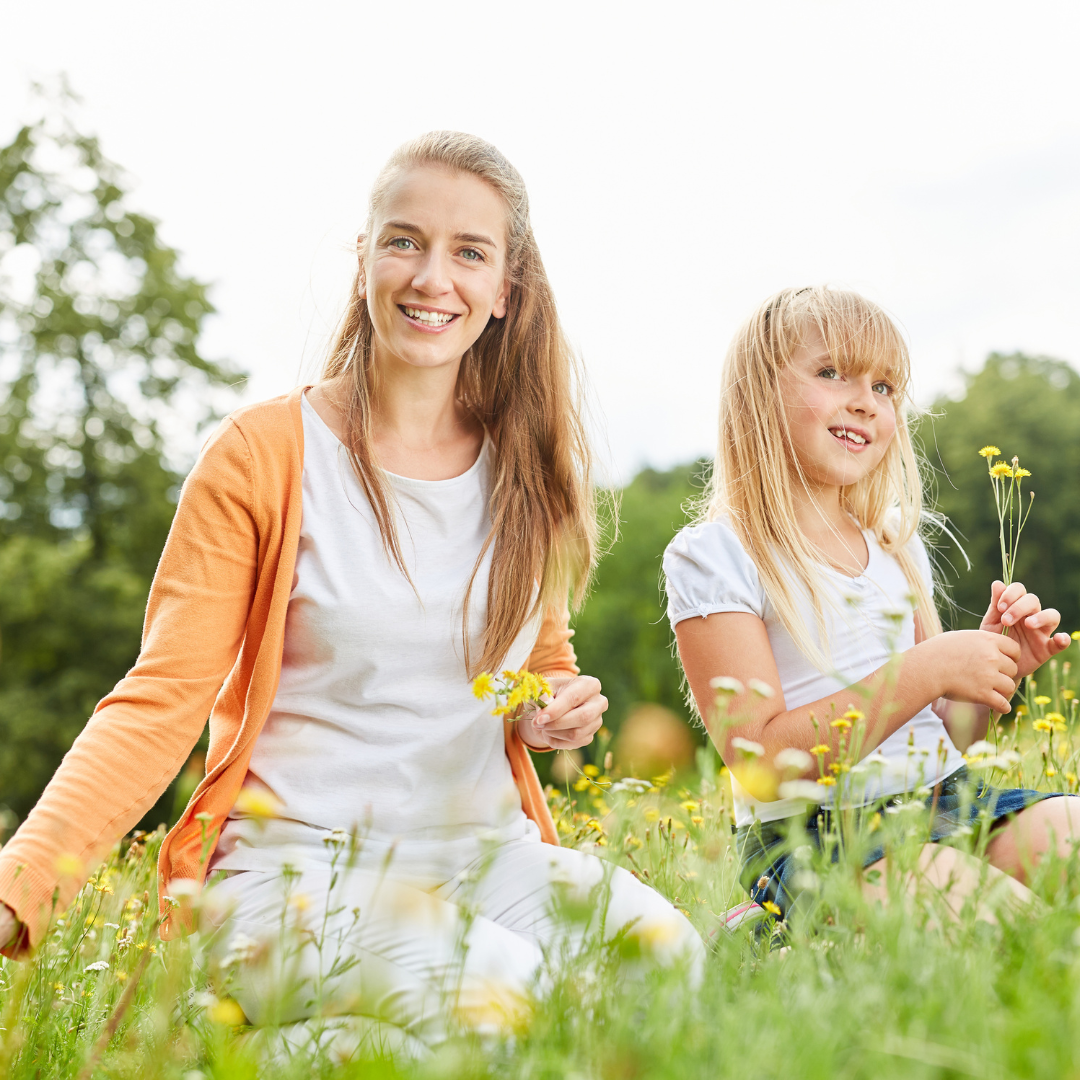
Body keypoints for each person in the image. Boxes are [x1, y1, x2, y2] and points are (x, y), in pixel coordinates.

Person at [0, 132, 702, 1047]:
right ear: (364, 257)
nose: (431, 278)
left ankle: (275, 1060)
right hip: (293, 876)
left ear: (506, 292)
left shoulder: (527, 471)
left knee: (671, 966)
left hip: (482, 859)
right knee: (508, 1000)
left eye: (470, 253)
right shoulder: (262, 456)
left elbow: (537, 664)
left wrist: (547, 708)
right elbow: (160, 701)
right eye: (404, 240)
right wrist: (20, 886)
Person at [664, 285, 1078, 920]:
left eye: (884, 388)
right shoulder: (718, 555)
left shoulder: (893, 543)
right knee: (1017, 930)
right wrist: (928, 667)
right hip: (820, 833)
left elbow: (941, 735)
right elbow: (763, 765)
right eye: (832, 373)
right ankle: (766, 935)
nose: (864, 402)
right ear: (758, 395)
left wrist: (991, 672)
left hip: (946, 798)